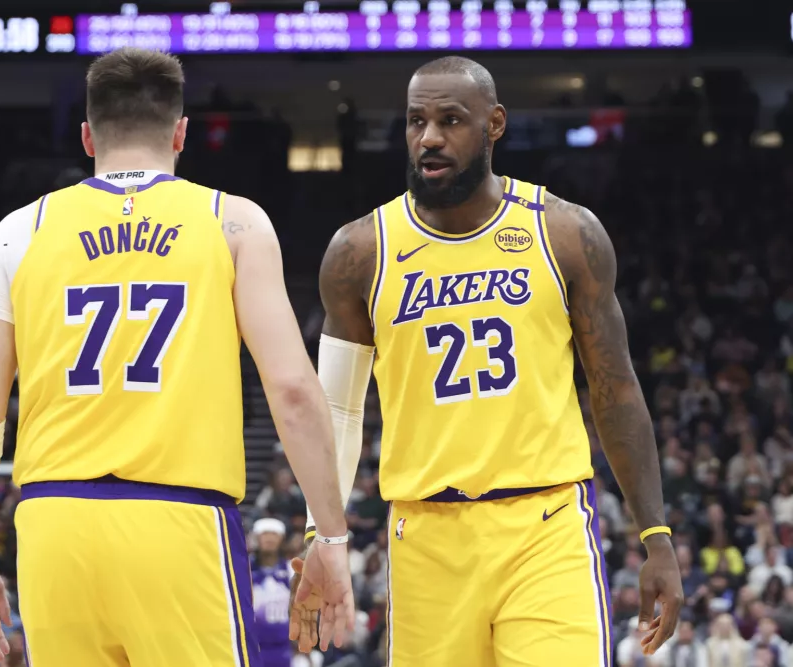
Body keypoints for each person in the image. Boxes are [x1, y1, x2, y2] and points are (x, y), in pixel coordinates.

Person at [0, 46, 354, 666]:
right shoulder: (232, 222)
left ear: (87, 136)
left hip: (56, 527)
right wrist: (329, 534)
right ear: (181, 133)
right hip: (180, 521)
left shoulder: (18, 230)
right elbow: (294, 390)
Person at [290, 55, 684, 666]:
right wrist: (322, 533)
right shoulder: (360, 251)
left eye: (451, 120)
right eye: (416, 121)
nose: (430, 138)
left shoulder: (563, 234)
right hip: (425, 533)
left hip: (545, 520)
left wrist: (655, 535)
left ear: (495, 124)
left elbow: (615, 389)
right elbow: (338, 409)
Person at [250, 518, 294, 667]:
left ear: (282, 539)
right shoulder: (243, 570)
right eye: (265, 534)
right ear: (256, 538)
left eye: (274, 534)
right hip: (252, 646)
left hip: (283, 646)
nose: (269, 538)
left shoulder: (291, 570)